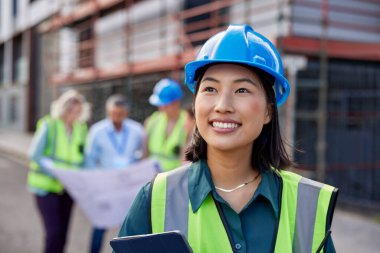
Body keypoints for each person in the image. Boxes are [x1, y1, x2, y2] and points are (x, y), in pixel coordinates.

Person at [118, 24, 339, 253]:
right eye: (210, 89)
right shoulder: (155, 199)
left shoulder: (307, 205)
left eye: (242, 90)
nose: (223, 106)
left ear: (268, 111)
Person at [27, 89, 89, 253]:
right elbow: (34, 155)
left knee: (62, 235)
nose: (73, 115)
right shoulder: (50, 125)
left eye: (77, 111)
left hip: (68, 189)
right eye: (70, 110)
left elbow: (82, 159)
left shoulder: (80, 129)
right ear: (63, 108)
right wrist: (55, 173)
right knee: (53, 233)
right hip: (46, 187)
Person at [85, 94, 144, 253]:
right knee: (100, 224)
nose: (116, 117)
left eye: (120, 113)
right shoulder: (97, 131)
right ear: (108, 112)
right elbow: (90, 160)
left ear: (126, 112)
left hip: (128, 187)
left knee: (129, 225)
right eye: (113, 113)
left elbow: (143, 155)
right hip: (107, 185)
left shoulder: (137, 130)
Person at [145, 78, 188, 171]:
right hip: (152, 178)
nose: (161, 108)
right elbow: (145, 153)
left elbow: (186, 160)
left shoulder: (188, 122)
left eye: (165, 104)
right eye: (160, 104)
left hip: (175, 178)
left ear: (176, 102)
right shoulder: (153, 121)